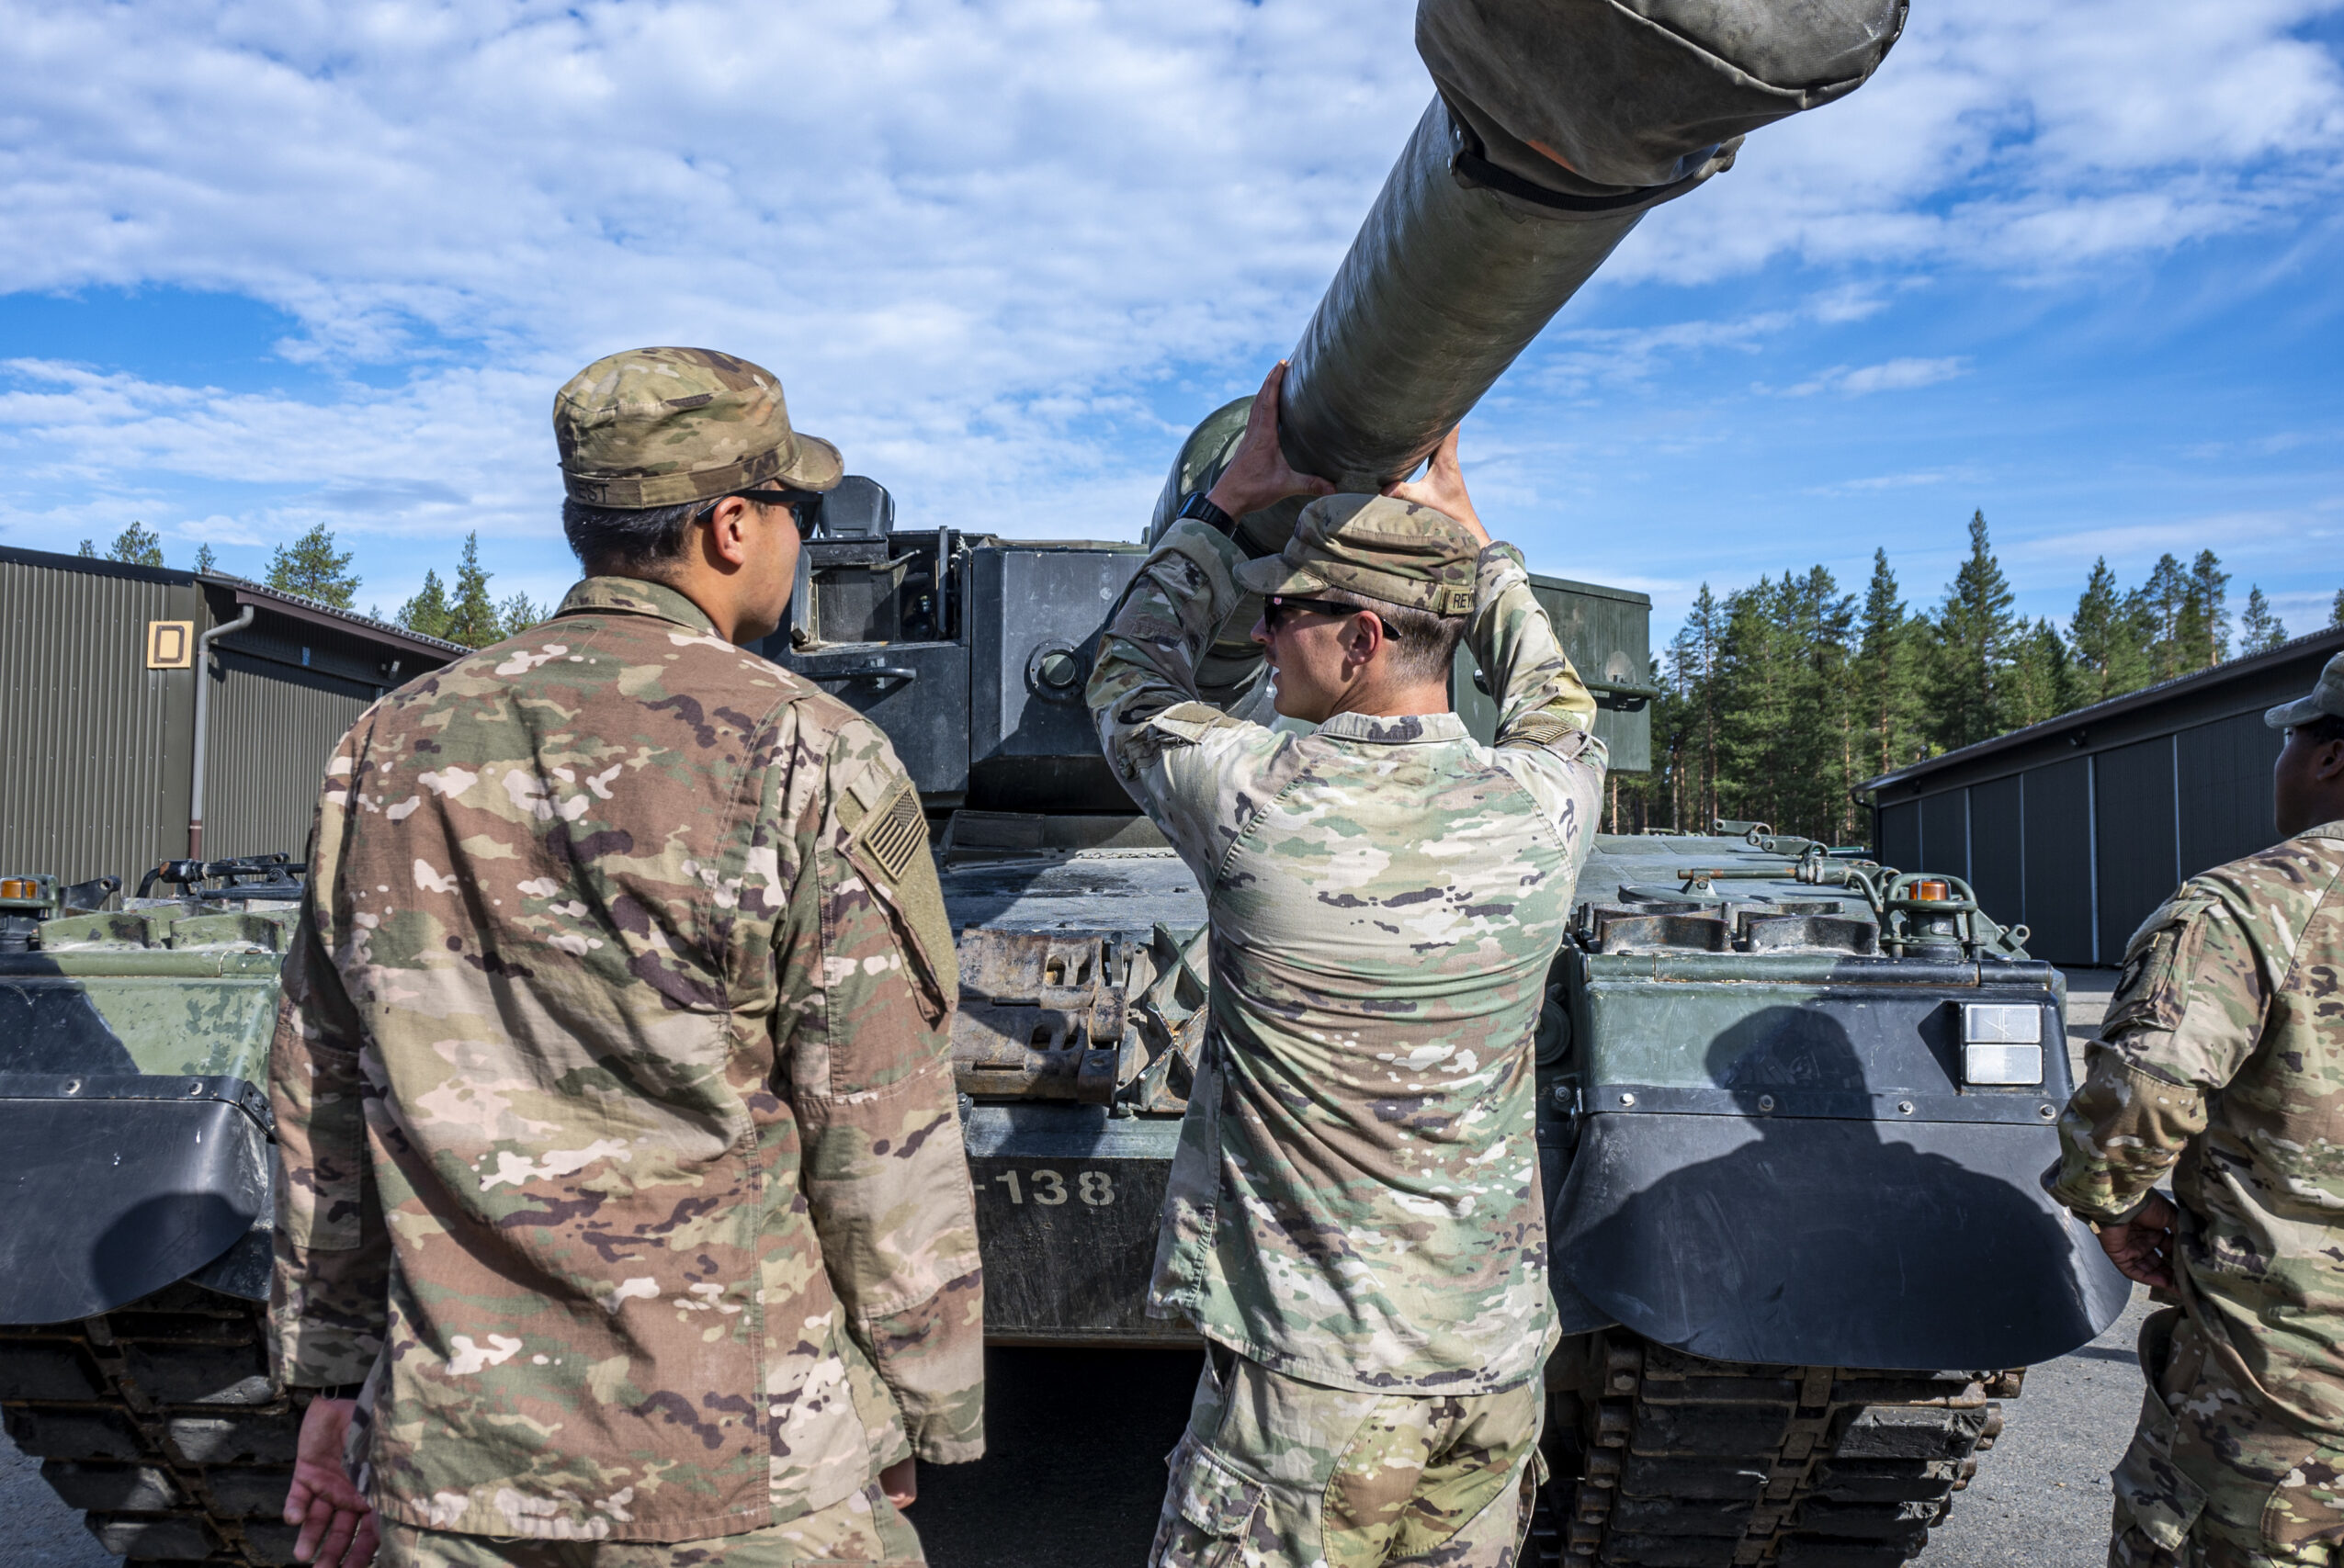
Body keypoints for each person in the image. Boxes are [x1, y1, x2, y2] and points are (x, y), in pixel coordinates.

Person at [270, 346, 983, 1568]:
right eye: (794, 514)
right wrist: (918, 1400)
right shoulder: (812, 748)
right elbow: (879, 1121)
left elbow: (325, 1094)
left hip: (460, 1463)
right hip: (741, 1461)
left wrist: (330, 1380)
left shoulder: (386, 746)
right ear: (729, 525)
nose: (799, 543)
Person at [1088, 363, 1607, 1568]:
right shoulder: (1546, 802)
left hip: (1313, 1400)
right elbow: (1555, 701)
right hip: (1491, 1381)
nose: (1261, 628)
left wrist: (1220, 514)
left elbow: (1127, 676)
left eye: (1287, 611)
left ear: (1363, 638)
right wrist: (1484, 555)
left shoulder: (1253, 795)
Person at [2052, 648, 2344, 1568]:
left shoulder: (2250, 911)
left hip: (2284, 1426)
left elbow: (2140, 1094)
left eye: (2292, 737)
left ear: (2329, 756)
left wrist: (2112, 1202)